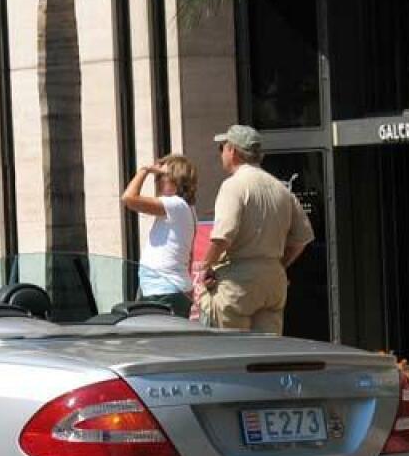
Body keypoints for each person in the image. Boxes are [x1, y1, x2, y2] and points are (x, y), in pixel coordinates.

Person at [197, 124, 313, 334]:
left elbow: (223, 236)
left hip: (238, 281)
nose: (221, 153)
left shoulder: (233, 185)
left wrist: (205, 267)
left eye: (222, 147)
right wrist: (279, 263)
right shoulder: (281, 188)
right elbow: (302, 238)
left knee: (232, 351)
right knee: (267, 355)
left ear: (232, 150)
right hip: (273, 279)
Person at [120, 154, 198, 317]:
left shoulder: (175, 204)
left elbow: (129, 198)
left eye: (162, 176)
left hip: (163, 289)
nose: (158, 181)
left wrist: (144, 170)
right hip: (165, 287)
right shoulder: (185, 208)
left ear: (175, 179)